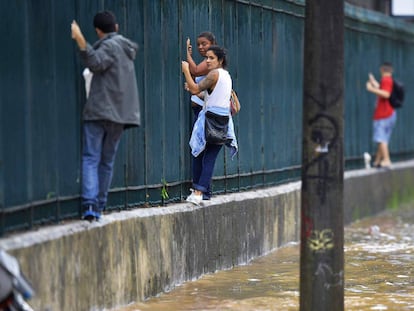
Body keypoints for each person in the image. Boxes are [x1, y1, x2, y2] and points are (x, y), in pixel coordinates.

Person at [71, 10, 141, 220]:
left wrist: (80, 39)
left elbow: (94, 62)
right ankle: (100, 206)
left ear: (98, 31)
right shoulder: (126, 48)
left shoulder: (110, 46)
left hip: (100, 111)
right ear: (116, 27)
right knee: (107, 162)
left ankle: (90, 205)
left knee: (92, 157)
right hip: (119, 116)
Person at [182, 46, 238, 205]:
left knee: (199, 154)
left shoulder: (214, 74)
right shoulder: (226, 76)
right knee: (209, 157)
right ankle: (203, 193)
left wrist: (186, 70)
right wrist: (193, 90)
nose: (207, 61)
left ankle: (198, 191)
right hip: (223, 122)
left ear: (220, 60)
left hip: (210, 121)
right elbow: (209, 95)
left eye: (211, 58)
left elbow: (195, 88)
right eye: (206, 57)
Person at [366, 62, 397, 168]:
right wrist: (374, 82)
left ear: (382, 70)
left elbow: (386, 94)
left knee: (380, 138)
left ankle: (386, 159)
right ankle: (377, 161)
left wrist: (371, 89)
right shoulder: (389, 81)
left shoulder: (386, 80)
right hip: (389, 113)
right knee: (383, 138)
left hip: (383, 114)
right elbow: (383, 89)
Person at [186, 32, 217, 118]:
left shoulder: (212, 62)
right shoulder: (206, 61)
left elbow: (195, 71)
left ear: (213, 44)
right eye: (198, 44)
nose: (200, 47)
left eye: (204, 44)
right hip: (200, 109)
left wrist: (187, 54)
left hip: (206, 109)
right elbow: (194, 75)